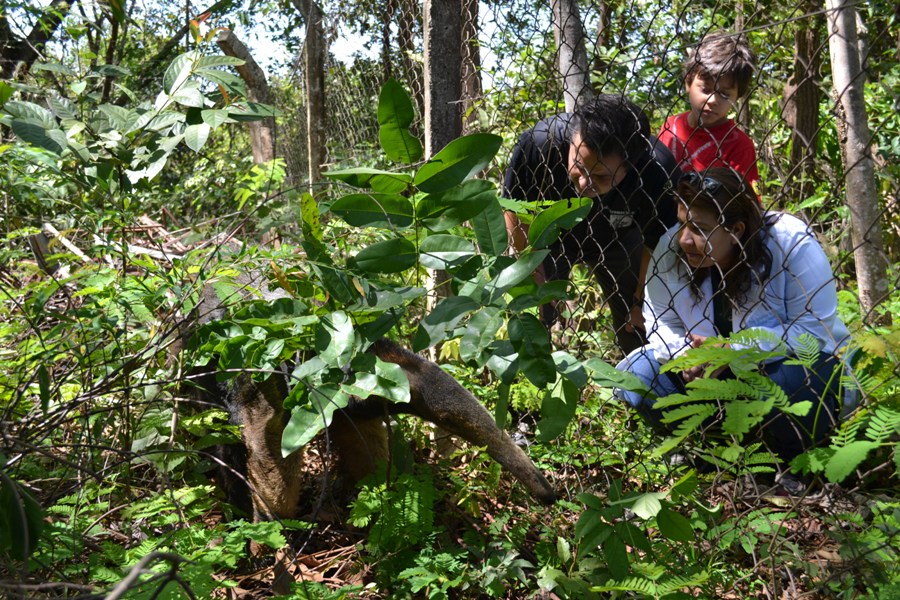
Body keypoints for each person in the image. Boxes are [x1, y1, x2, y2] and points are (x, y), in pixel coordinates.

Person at [615, 167, 852, 463]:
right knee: (640, 372)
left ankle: (788, 458)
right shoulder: (671, 246)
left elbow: (814, 331)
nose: (685, 239)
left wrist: (733, 352)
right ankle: (712, 446)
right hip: (704, 374)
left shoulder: (789, 241)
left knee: (797, 379)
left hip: (772, 372)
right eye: (681, 223)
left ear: (737, 229)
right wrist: (686, 357)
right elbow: (659, 317)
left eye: (699, 229)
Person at [503, 94, 681, 354]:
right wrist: (533, 275)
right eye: (578, 166)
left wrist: (639, 300)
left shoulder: (657, 169)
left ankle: (640, 381)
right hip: (550, 235)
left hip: (621, 239)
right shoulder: (541, 141)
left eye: (600, 175)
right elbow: (513, 210)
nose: (585, 183)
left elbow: (656, 244)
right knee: (531, 311)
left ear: (630, 166)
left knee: (640, 327)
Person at [658, 30, 759, 192]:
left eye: (724, 94)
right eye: (705, 89)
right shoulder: (671, 125)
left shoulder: (739, 145)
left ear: (737, 96)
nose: (713, 100)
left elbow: (742, 201)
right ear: (688, 83)